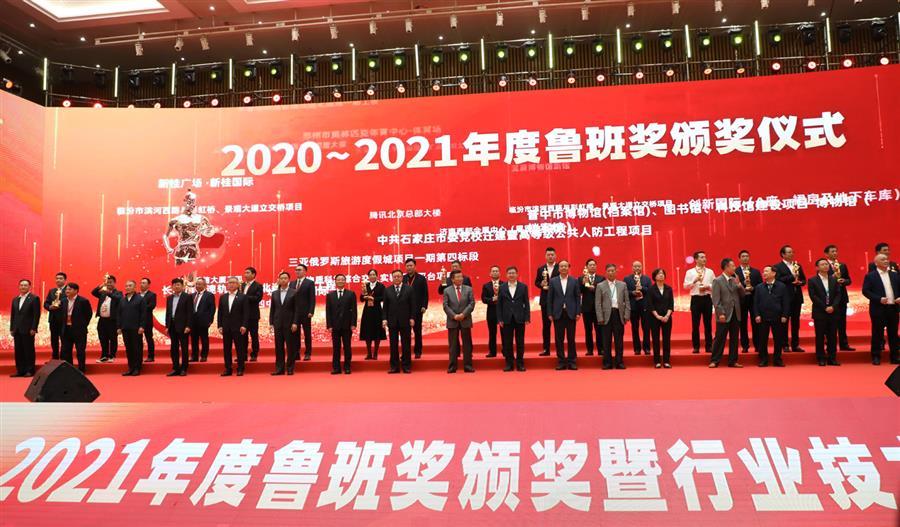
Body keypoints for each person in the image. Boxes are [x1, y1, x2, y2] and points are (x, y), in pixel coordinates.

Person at [862, 254, 900, 365]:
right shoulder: (871, 276)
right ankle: (876, 356)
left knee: (893, 333)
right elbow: (865, 291)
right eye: (883, 259)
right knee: (877, 333)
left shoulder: (895, 275)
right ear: (876, 263)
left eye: (887, 259)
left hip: (893, 308)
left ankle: (894, 356)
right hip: (878, 309)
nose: (886, 261)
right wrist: (878, 299)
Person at [709, 258, 746, 368]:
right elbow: (716, 300)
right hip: (723, 314)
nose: (735, 268)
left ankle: (733, 361)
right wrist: (720, 313)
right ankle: (715, 360)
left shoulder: (735, 280)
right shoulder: (717, 281)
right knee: (720, 337)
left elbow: (743, 295)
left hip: (736, 313)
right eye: (733, 266)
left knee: (734, 338)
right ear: (726, 267)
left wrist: (739, 285)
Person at [547, 260, 581, 371]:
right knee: (559, 339)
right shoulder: (553, 281)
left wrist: (578, 312)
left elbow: (577, 297)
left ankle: (572, 361)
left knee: (571, 338)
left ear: (568, 268)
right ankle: (561, 361)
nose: (563, 268)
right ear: (559, 268)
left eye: (565, 266)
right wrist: (550, 313)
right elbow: (550, 298)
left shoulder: (574, 281)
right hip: (558, 313)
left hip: (571, 313)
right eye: (561, 266)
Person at [596, 264, 630, 370]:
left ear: (616, 272)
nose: (611, 273)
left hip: (618, 314)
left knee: (619, 340)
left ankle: (619, 362)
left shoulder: (622, 285)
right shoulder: (600, 285)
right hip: (606, 316)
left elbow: (627, 301)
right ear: (606, 272)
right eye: (609, 271)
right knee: (606, 341)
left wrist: (626, 315)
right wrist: (600, 317)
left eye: (613, 271)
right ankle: (607, 363)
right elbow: (598, 303)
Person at [754, 266, 790, 367]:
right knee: (762, 339)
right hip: (763, 317)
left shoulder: (782, 286)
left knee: (778, 339)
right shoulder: (759, 287)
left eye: (766, 271)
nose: (764, 273)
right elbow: (755, 303)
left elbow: (786, 302)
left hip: (778, 317)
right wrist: (757, 315)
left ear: (774, 273)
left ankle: (777, 359)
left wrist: (785, 315)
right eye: (763, 271)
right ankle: (763, 359)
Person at [773, 245, 807, 353]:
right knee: (784, 322)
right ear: (783, 254)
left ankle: (795, 345)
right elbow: (778, 280)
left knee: (796, 323)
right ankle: (785, 345)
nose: (791, 254)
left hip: (797, 297)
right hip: (784, 299)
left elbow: (804, 279)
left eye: (792, 252)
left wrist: (800, 282)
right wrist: (792, 277)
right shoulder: (777, 267)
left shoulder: (797, 265)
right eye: (789, 252)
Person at [808, 259, 841, 367]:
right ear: (817, 267)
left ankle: (832, 358)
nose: (825, 266)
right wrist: (824, 307)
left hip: (833, 311)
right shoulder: (812, 280)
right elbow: (813, 296)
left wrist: (833, 306)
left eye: (826, 264)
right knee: (820, 336)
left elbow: (838, 294)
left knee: (832, 336)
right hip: (820, 312)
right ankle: (821, 358)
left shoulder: (834, 279)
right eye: (822, 264)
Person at [497, 266, 530, 372]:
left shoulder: (523, 287)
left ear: (517, 274)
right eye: (509, 273)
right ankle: (509, 364)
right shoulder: (502, 287)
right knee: (507, 342)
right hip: (506, 319)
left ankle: (520, 363)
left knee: (520, 342)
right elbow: (499, 304)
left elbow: (526, 303)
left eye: (513, 273)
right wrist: (499, 319)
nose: (511, 275)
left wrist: (527, 317)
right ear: (506, 275)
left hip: (520, 318)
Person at [383, 269, 415, 374]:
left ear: (402, 277)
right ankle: (394, 367)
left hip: (405, 320)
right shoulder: (387, 290)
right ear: (392, 278)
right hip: (392, 321)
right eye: (395, 277)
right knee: (393, 345)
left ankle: (406, 366)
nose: (397, 278)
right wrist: (384, 319)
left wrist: (412, 318)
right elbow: (385, 307)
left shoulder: (409, 289)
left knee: (406, 344)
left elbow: (413, 305)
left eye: (399, 276)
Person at [443, 270, 476, 373]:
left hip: (465, 319)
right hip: (452, 321)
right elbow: (445, 306)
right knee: (453, 345)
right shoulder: (447, 290)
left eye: (461, 277)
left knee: (467, 344)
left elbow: (472, 303)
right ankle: (452, 366)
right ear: (452, 279)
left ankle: (468, 366)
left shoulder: (468, 289)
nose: (460, 279)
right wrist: (454, 316)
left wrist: (463, 314)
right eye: (457, 277)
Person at [683, 251, 715, 354]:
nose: (704, 259)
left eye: (705, 257)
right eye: (701, 257)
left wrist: (708, 286)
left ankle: (709, 346)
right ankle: (696, 346)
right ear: (696, 260)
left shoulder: (710, 271)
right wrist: (694, 281)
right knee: (695, 324)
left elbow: (715, 285)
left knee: (708, 324)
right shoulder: (690, 272)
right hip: (696, 299)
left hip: (707, 298)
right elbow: (685, 286)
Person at [326, 274, 357, 375]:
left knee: (347, 347)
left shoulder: (351, 294)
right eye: (338, 280)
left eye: (342, 279)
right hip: (335, 326)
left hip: (347, 325)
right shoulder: (330, 295)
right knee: (336, 347)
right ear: (335, 282)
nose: (340, 281)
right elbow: (328, 311)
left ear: (345, 281)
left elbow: (354, 310)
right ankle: (336, 368)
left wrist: (353, 323)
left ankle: (347, 367)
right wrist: (329, 325)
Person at [218, 277, 250, 376]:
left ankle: (240, 368)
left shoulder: (243, 297)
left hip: (239, 327)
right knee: (226, 349)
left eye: (233, 283)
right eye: (229, 283)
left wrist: (244, 325)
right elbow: (220, 313)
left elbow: (246, 313)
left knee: (240, 348)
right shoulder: (223, 297)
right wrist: (220, 325)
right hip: (226, 327)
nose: (231, 284)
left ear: (238, 284)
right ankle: (228, 368)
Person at [824, 245, 854, 351]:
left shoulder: (842, 265)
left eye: (836, 251)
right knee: (830, 323)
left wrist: (844, 281)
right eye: (832, 251)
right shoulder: (823, 265)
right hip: (830, 298)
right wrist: (832, 278)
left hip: (842, 297)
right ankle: (830, 344)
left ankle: (844, 344)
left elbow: (849, 280)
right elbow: (821, 280)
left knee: (842, 322)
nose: (835, 253)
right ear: (826, 254)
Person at [269, 271, 298, 375]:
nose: (283, 280)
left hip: (290, 324)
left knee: (290, 347)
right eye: (281, 278)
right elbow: (273, 309)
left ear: (289, 280)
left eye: (285, 278)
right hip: (278, 323)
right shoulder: (274, 293)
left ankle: (290, 368)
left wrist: (295, 322)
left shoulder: (294, 292)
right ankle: (279, 369)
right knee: (279, 347)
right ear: (279, 280)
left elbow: (297, 309)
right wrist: (271, 323)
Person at [9, 279, 40, 377]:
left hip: (28, 329)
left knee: (28, 350)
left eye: (25, 285)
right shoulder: (15, 299)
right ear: (19, 286)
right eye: (21, 285)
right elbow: (13, 315)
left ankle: (30, 370)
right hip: (17, 329)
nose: (23, 287)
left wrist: (34, 328)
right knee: (18, 351)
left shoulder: (34, 298)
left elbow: (36, 315)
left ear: (29, 287)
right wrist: (12, 328)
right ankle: (20, 371)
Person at [59, 283, 92, 373]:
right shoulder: (63, 301)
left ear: (76, 290)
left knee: (80, 351)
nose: (67, 291)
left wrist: (83, 325)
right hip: (66, 329)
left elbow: (88, 314)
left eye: (69, 289)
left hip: (79, 330)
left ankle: (81, 369)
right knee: (66, 351)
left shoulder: (83, 301)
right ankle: (69, 370)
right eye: (66, 289)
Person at [116, 280, 146, 376]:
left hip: (136, 328)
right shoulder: (122, 300)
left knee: (137, 348)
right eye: (126, 286)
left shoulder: (140, 299)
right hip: (125, 328)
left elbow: (143, 314)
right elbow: (119, 314)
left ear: (135, 287)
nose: (128, 287)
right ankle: (130, 368)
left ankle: (137, 368)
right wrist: (119, 327)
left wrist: (142, 326)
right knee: (128, 349)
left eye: (130, 286)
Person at [165, 278, 193, 376]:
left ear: (182, 286)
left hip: (183, 326)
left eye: (178, 285)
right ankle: (175, 368)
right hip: (172, 326)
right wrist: (167, 325)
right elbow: (168, 313)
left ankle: (184, 368)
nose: (176, 287)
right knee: (174, 348)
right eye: (174, 285)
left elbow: (190, 313)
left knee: (184, 348)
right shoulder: (169, 298)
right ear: (172, 287)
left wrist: (188, 326)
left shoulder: (187, 297)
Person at [535, 247, 560, 356]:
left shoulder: (560, 267)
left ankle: (559, 349)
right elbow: (536, 282)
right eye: (548, 255)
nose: (550, 256)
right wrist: (541, 284)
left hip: (558, 300)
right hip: (545, 300)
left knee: (558, 326)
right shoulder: (541, 269)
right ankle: (546, 349)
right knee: (546, 326)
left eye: (552, 254)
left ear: (555, 256)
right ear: (545, 256)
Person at [736, 250, 762, 354]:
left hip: (754, 300)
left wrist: (753, 288)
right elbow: (733, 286)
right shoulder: (735, 272)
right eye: (743, 256)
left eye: (747, 256)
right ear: (739, 259)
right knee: (742, 324)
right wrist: (743, 284)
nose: (745, 258)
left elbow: (760, 285)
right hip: (741, 300)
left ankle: (757, 345)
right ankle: (745, 345)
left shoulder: (755, 272)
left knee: (756, 323)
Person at [92, 274, 122, 363]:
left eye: (110, 282)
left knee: (113, 339)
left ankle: (112, 355)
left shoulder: (118, 293)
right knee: (102, 338)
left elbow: (118, 298)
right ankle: (104, 355)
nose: (108, 284)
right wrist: (102, 285)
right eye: (107, 282)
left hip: (112, 320)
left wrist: (108, 292)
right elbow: (93, 292)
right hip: (102, 320)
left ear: (114, 283)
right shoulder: (103, 293)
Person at [624, 261, 652, 356]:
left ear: (642, 267)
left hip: (645, 306)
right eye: (635, 266)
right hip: (633, 307)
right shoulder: (627, 279)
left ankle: (647, 348)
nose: (637, 268)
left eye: (639, 266)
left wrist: (642, 288)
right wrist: (632, 293)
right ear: (632, 268)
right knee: (635, 328)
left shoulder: (647, 279)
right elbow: (624, 292)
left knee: (646, 328)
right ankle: (637, 349)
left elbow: (650, 291)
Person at [647, 269, 674, 369]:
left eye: (662, 273)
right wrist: (657, 316)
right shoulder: (651, 289)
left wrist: (667, 315)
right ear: (654, 277)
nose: (661, 275)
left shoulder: (669, 289)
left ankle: (666, 361)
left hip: (667, 317)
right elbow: (650, 304)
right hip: (654, 318)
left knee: (666, 339)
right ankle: (657, 361)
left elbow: (671, 304)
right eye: (659, 274)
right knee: (655, 339)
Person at [403, 258, 429, 359]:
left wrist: (424, 306)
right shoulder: (403, 278)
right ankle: (406, 352)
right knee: (405, 333)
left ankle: (418, 351)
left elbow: (425, 294)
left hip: (417, 309)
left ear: (415, 266)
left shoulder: (421, 278)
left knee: (417, 331)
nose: (409, 267)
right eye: (407, 266)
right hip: (405, 310)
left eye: (411, 266)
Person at [289, 264, 316, 361]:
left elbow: (312, 298)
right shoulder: (292, 283)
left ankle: (308, 353)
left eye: (299, 270)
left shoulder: (309, 283)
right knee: (295, 334)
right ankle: (296, 353)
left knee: (307, 333)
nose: (297, 271)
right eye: (296, 270)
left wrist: (311, 311)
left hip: (305, 312)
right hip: (294, 313)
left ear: (305, 271)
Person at [359, 269, 386, 360]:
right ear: (368, 276)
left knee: (377, 332)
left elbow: (384, 298)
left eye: (374, 274)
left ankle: (375, 353)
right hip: (367, 311)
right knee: (367, 332)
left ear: (377, 276)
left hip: (377, 311)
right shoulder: (365, 285)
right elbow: (361, 299)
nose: (372, 276)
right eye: (370, 275)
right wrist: (364, 296)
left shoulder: (381, 286)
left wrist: (374, 299)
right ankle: (369, 353)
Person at [190, 277, 216, 363]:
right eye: (197, 284)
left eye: (200, 284)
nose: (197, 286)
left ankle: (204, 356)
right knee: (194, 340)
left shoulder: (209, 295)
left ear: (205, 285)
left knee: (204, 339)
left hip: (204, 321)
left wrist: (210, 320)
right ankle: (194, 356)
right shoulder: (192, 295)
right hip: (193, 322)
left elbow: (212, 309)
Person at [579, 259, 601, 357]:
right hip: (586, 308)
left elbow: (603, 291)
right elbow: (578, 291)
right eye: (590, 265)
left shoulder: (601, 278)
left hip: (598, 308)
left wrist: (594, 289)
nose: (592, 266)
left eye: (594, 265)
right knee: (588, 330)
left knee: (599, 330)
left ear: (596, 266)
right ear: (587, 267)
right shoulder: (581, 278)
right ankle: (589, 350)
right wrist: (583, 284)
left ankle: (601, 349)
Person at [241, 267, 264, 361]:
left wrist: (244, 297)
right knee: (242, 336)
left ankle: (254, 354)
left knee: (254, 336)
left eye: (248, 273)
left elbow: (257, 298)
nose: (245, 274)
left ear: (253, 274)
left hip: (253, 315)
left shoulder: (258, 286)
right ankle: (243, 355)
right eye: (245, 273)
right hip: (242, 315)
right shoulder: (242, 285)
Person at [43, 272, 67, 360]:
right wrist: (50, 307)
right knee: (54, 339)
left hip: (64, 319)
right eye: (57, 278)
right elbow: (46, 303)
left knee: (64, 339)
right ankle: (55, 357)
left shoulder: (68, 290)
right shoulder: (52, 291)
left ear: (65, 280)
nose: (58, 280)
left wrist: (59, 304)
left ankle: (64, 358)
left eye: (60, 278)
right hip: (53, 319)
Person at [481, 265, 502, 358]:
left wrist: (499, 299)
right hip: (491, 312)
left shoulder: (504, 284)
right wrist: (492, 299)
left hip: (502, 312)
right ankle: (492, 352)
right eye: (493, 271)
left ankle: (505, 351)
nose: (495, 272)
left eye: (497, 271)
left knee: (505, 333)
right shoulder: (486, 286)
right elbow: (484, 299)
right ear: (490, 274)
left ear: (500, 273)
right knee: (492, 333)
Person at [138, 277, 157, 362]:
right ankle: (139, 356)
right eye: (141, 283)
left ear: (148, 285)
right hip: (137, 321)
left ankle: (151, 356)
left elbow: (152, 306)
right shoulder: (137, 295)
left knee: (149, 339)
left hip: (147, 321)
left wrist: (140, 307)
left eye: (144, 283)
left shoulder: (152, 295)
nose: (142, 284)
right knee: (138, 340)